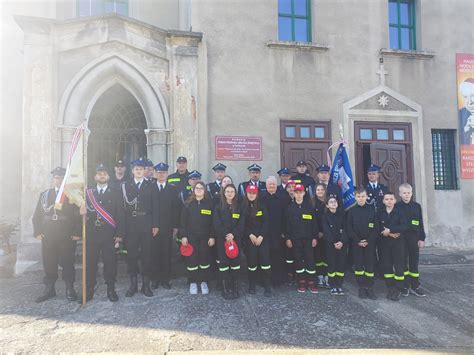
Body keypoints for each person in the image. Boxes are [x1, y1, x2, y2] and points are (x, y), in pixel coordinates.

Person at [32, 167, 81, 303]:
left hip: (66, 235)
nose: (58, 180)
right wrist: (37, 231)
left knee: (68, 263)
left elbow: (78, 216)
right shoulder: (45, 195)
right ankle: (50, 289)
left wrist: (77, 233)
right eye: (56, 177)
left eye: (61, 177)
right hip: (48, 235)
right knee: (49, 263)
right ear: (53, 179)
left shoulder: (72, 195)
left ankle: (69, 288)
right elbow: (37, 215)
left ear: (66, 179)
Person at [80, 164, 125, 302]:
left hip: (109, 233)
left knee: (110, 263)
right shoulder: (87, 194)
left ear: (108, 176)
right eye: (99, 173)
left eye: (104, 173)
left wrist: (119, 235)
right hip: (91, 233)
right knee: (90, 263)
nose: (102, 175)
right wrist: (81, 213)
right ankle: (89, 290)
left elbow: (120, 215)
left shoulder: (116, 193)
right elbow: (81, 216)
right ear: (95, 176)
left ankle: (110, 289)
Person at [121, 158, 159, 298]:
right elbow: (122, 208)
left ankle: (146, 285)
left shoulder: (151, 185)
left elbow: (156, 206)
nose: (138, 171)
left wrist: (155, 225)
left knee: (147, 255)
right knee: (131, 255)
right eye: (136, 169)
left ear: (145, 171)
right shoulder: (125, 185)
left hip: (146, 223)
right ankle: (133, 285)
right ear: (132, 171)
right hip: (130, 224)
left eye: (141, 169)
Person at [179, 181, 215, 295]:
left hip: (205, 237)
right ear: (193, 190)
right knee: (192, 259)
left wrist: (212, 236)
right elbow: (182, 222)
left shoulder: (210, 204)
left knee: (205, 259)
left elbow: (213, 222)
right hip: (191, 237)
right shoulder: (188, 204)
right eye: (197, 188)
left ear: (204, 191)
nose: (199, 190)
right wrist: (183, 236)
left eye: (201, 188)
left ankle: (204, 281)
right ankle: (193, 282)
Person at [213, 184, 245, 299]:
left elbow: (242, 223)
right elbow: (217, 224)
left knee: (236, 264)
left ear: (235, 193)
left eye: (232, 191)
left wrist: (233, 234)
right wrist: (226, 235)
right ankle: (225, 288)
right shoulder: (218, 207)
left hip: (236, 239)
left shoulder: (240, 207)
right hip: (223, 240)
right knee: (224, 265)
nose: (230, 193)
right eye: (227, 191)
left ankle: (235, 288)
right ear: (224, 193)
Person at [151, 162, 180, 289]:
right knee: (154, 253)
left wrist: (175, 226)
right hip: (153, 227)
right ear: (155, 173)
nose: (161, 175)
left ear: (167, 174)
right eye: (159, 172)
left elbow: (175, 209)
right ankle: (155, 279)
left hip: (168, 227)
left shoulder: (173, 189)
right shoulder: (150, 188)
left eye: (163, 172)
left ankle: (165, 279)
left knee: (166, 253)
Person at [346, 187, 378, 300]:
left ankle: (369, 287)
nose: (361, 199)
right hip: (356, 243)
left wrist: (368, 240)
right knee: (359, 266)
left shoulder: (372, 210)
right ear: (355, 197)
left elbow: (376, 227)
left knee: (369, 265)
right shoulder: (351, 211)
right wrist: (357, 240)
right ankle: (361, 287)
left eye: (363, 196)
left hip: (369, 243)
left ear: (366, 197)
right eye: (358, 196)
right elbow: (349, 228)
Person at [285, 183, 319, 294]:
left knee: (310, 260)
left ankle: (311, 282)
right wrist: (288, 238)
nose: (298, 195)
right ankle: (301, 281)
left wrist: (315, 237)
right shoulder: (290, 208)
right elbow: (287, 225)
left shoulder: (309, 207)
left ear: (304, 193)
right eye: (296, 192)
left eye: (300, 192)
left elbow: (314, 224)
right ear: (293, 193)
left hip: (308, 239)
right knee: (298, 260)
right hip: (295, 240)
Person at [397, 183, 426, 297]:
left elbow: (420, 224)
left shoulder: (417, 206)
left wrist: (421, 238)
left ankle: (415, 285)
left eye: (408, 193)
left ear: (412, 193)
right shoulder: (397, 207)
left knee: (414, 261)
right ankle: (405, 285)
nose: (406, 195)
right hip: (401, 237)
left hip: (414, 237)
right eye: (404, 193)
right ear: (400, 194)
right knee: (403, 260)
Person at [378, 192, 407, 301]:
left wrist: (391, 230)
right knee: (387, 265)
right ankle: (390, 287)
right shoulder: (380, 213)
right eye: (386, 199)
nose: (389, 201)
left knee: (399, 265)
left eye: (391, 199)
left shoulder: (400, 213)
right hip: (384, 243)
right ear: (383, 201)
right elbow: (377, 226)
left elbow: (404, 226)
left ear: (395, 200)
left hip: (398, 243)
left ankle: (398, 288)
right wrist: (389, 233)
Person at [243, 184, 271, 296]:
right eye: (249, 193)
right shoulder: (243, 206)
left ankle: (267, 286)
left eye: (254, 193)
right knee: (252, 263)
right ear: (246, 193)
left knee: (265, 263)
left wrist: (261, 236)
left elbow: (266, 222)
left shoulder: (262, 205)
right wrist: (250, 235)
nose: (251, 195)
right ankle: (252, 285)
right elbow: (242, 224)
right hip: (250, 239)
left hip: (262, 239)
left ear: (257, 194)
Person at [261, 176, 288, 286]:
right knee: (265, 257)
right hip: (264, 233)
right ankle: (264, 280)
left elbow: (285, 216)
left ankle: (277, 279)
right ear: (266, 186)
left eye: (273, 184)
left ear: (276, 185)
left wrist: (284, 232)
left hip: (278, 233)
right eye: (269, 184)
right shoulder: (261, 197)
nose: (271, 186)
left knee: (277, 257)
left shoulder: (282, 197)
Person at [322, 194, 348, 296]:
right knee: (332, 264)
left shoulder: (342, 215)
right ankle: (332, 285)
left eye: (335, 202)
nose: (334, 203)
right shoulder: (325, 216)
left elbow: (346, 229)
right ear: (327, 205)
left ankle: (339, 285)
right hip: (330, 244)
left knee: (341, 265)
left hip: (342, 244)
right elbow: (326, 230)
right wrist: (334, 242)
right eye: (331, 202)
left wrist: (342, 241)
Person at [313, 183, 330, 288]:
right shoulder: (312, 202)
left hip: (328, 234)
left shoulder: (329, 202)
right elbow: (312, 220)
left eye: (321, 190)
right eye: (318, 190)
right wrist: (317, 232)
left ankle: (327, 277)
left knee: (327, 256)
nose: (320, 192)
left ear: (325, 191)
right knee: (318, 257)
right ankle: (320, 277)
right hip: (316, 234)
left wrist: (325, 232)